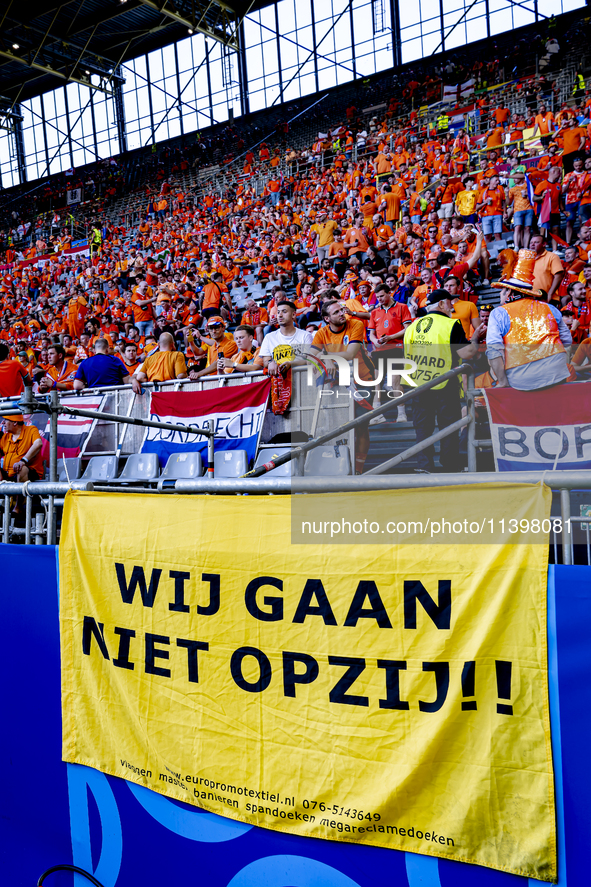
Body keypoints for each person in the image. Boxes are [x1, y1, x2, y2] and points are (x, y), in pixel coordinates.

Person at [403, 289, 481, 473]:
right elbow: (467, 353)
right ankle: (451, 466)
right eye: (449, 302)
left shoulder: (412, 327)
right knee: (450, 428)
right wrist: (476, 338)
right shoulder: (450, 324)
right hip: (445, 385)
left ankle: (424, 467)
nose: (452, 305)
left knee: (422, 429)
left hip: (418, 386)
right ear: (440, 304)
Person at [487, 249, 572, 390]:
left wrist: (502, 382)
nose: (500, 295)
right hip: (557, 373)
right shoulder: (550, 308)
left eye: (502, 290)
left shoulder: (498, 313)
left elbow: (494, 350)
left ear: (509, 292)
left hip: (521, 379)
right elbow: (567, 340)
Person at [310, 298, 376, 473]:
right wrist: (325, 360)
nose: (342, 314)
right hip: (339, 383)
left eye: (341, 310)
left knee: (361, 426)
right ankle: (341, 465)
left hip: (362, 380)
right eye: (336, 312)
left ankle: (359, 469)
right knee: (338, 425)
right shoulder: (321, 332)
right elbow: (310, 355)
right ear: (327, 318)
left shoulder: (355, 324)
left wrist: (328, 358)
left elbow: (350, 353)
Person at [0, 412, 44, 481]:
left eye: (5, 420)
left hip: (29, 473)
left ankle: (20, 491)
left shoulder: (31, 430)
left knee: (22, 469)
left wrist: (23, 461)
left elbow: (38, 443)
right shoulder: (5, 437)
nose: (2, 423)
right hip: (7, 475)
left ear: (15, 422)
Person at [529, 234, 565, 303]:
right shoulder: (527, 259)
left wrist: (550, 294)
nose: (532, 245)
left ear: (544, 244)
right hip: (530, 299)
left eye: (536, 242)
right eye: (531, 243)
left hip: (548, 298)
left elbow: (559, 276)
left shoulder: (552, 256)